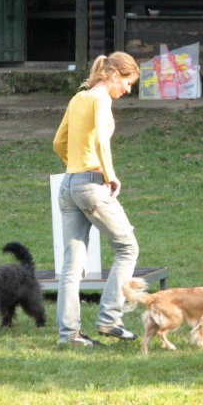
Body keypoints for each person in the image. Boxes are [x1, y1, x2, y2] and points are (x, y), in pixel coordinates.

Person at [53, 51, 141, 346]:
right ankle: (109, 320)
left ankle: (69, 335)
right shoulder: (101, 98)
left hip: (68, 183)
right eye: (127, 82)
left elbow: (58, 142)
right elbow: (102, 139)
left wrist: (74, 168)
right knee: (127, 247)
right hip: (91, 184)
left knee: (71, 264)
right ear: (115, 75)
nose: (127, 90)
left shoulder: (78, 98)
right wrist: (109, 174)